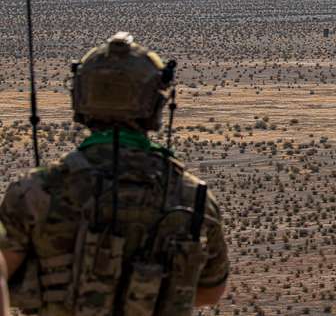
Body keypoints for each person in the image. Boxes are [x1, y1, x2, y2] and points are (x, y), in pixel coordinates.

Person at [0, 33, 229, 315]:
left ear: (80, 99)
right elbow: (210, 291)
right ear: (156, 105)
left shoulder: (34, 193)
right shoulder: (194, 199)